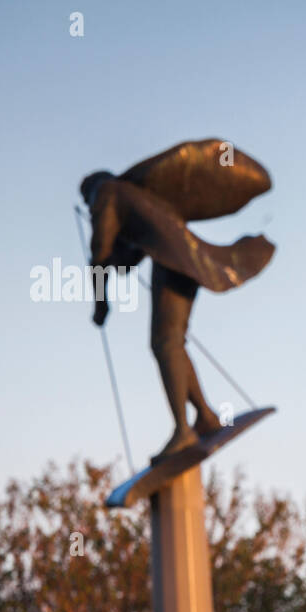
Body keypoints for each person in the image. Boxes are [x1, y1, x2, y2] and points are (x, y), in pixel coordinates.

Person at [79, 142, 274, 463]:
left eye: (88, 204)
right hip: (184, 259)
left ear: (91, 190)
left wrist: (100, 304)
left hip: (173, 262)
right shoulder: (133, 199)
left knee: (164, 343)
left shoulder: (107, 194)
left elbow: (100, 255)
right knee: (171, 341)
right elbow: (128, 259)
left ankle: (183, 430)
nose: (90, 210)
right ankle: (206, 417)